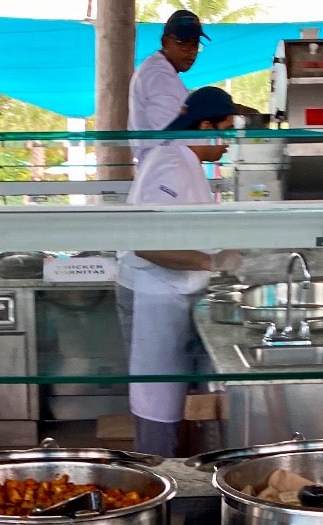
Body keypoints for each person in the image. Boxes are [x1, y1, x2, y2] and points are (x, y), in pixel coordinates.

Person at [118, 86, 241, 457]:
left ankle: (180, 477)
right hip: (152, 294)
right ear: (205, 125)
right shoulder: (171, 162)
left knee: (173, 397)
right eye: (227, 129)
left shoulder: (186, 161)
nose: (230, 141)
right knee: (158, 397)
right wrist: (213, 262)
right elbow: (146, 241)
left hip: (173, 292)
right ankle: (159, 478)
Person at [129, 10, 208, 153]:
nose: (191, 51)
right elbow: (174, 136)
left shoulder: (164, 73)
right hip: (163, 169)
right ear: (165, 41)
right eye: (183, 42)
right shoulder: (158, 77)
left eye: (195, 44)